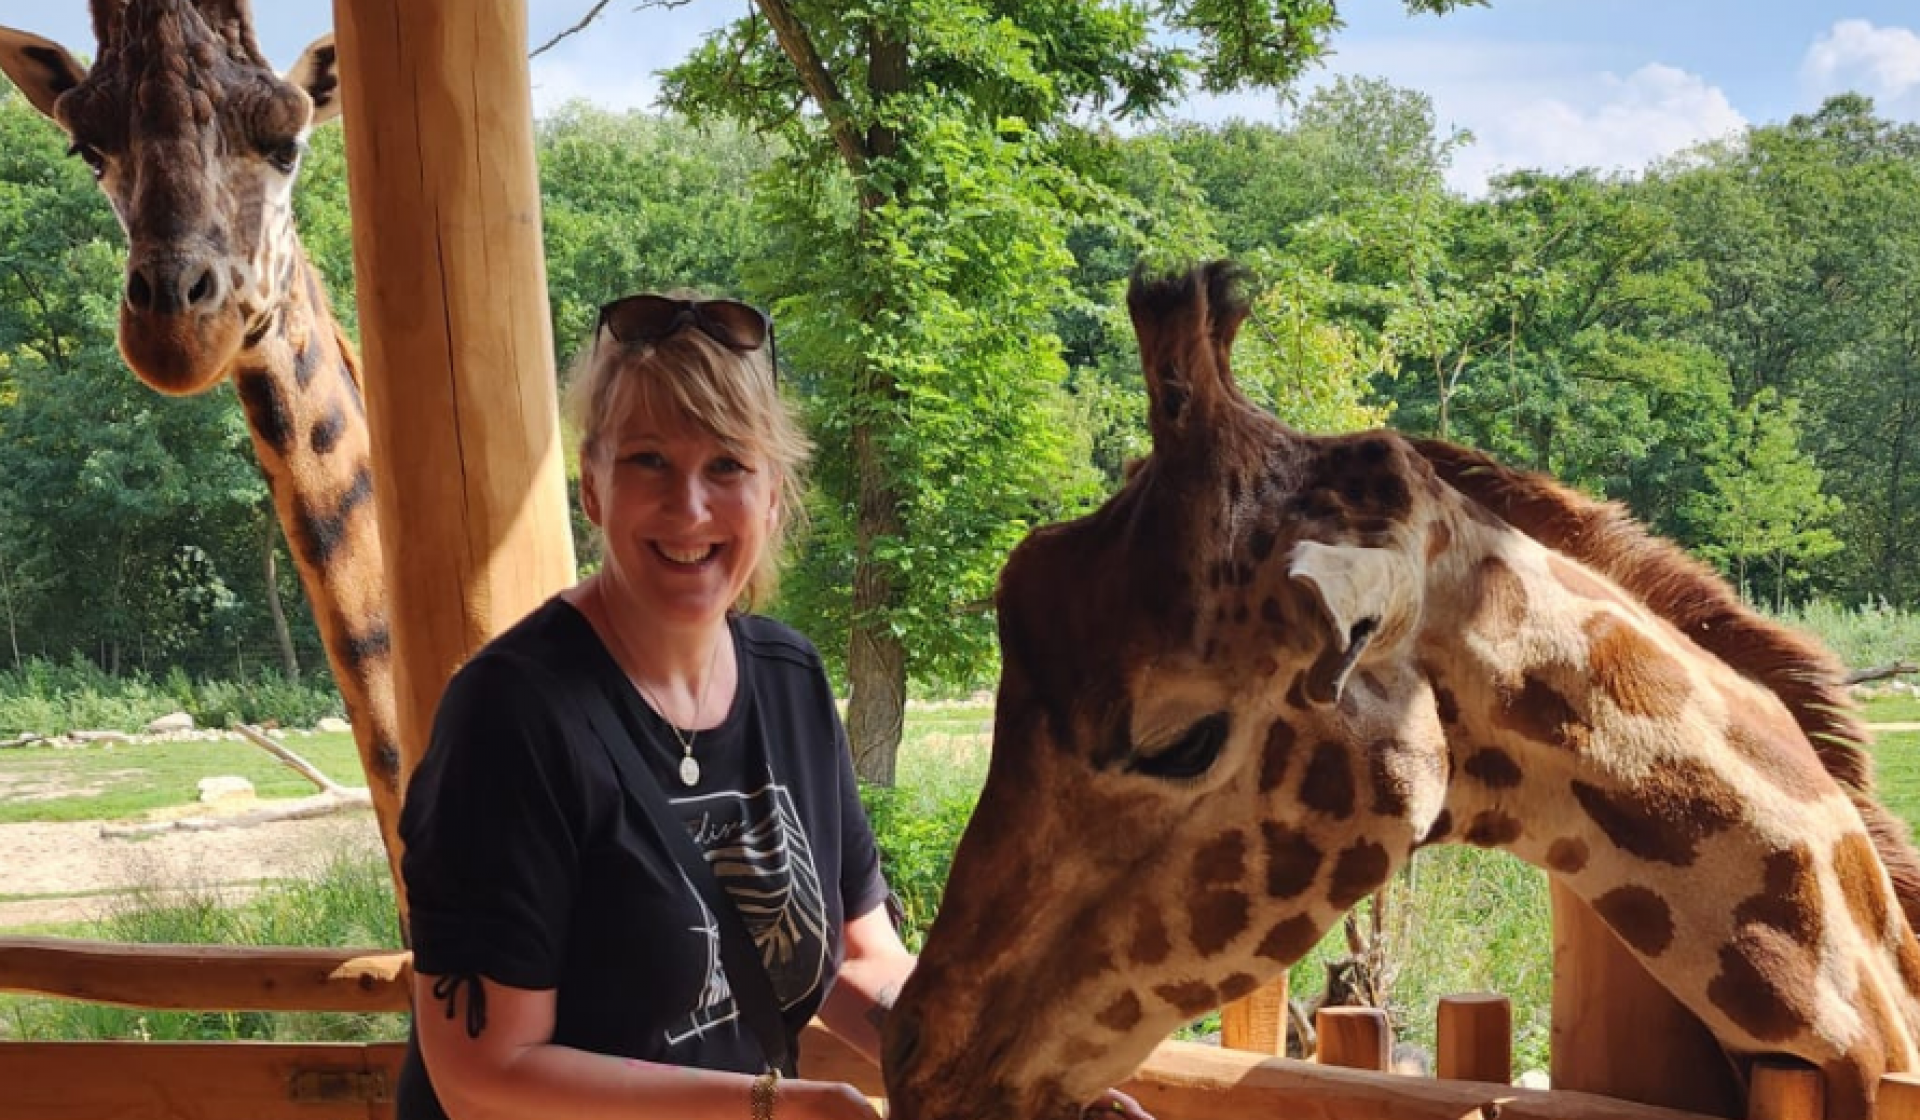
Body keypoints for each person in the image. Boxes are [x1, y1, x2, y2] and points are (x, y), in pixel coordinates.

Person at [394, 290, 1150, 1120]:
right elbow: (482, 1076)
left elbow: (859, 962)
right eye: (649, 461)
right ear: (592, 488)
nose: (690, 508)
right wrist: (770, 1107)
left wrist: (1014, 1083)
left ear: (775, 496)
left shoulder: (789, 680)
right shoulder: (512, 718)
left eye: (727, 465)